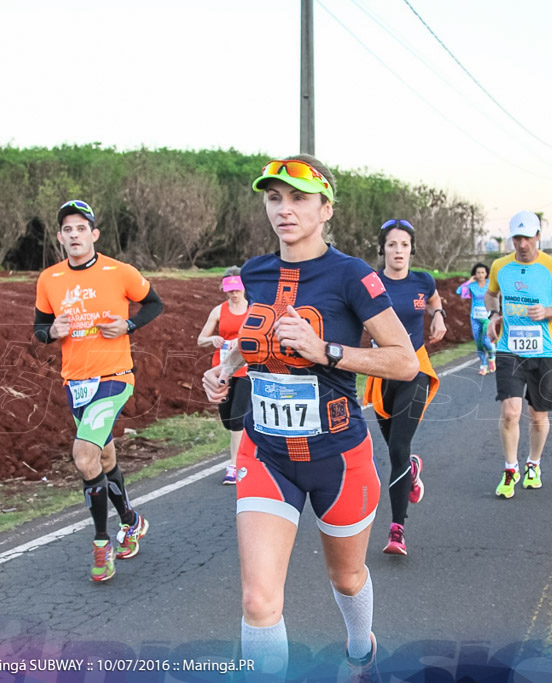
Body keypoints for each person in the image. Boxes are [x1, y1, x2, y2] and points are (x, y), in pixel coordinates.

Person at [201, 156, 417, 679]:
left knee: (346, 578)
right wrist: (228, 367)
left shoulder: (351, 275)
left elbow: (404, 360)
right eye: (275, 198)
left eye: (298, 198)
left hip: (337, 456)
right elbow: (256, 335)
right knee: (258, 602)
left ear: (326, 210)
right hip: (267, 452)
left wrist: (327, 352)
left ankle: (360, 648)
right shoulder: (255, 272)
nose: (284, 209)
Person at [33, 199, 163, 582]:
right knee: (103, 458)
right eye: (67, 229)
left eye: (81, 228)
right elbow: (39, 328)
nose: (74, 235)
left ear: (94, 234)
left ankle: (102, 542)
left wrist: (129, 326)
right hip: (76, 381)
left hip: (115, 376)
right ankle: (131, 521)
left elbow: (154, 304)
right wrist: (51, 332)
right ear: (60, 237)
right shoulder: (49, 279)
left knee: (83, 456)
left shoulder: (119, 272)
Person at [363, 219, 444, 556]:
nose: (399, 251)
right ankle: (411, 469)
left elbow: (434, 299)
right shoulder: (369, 282)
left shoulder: (423, 281)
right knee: (397, 451)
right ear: (382, 248)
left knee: (397, 448)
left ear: (412, 249)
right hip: (381, 373)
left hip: (415, 369)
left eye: (405, 245)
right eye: (392, 245)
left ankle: (397, 530)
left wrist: (438, 314)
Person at [484, 211, 552, 499]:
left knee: (538, 416)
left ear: (538, 236)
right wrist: (494, 313)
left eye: (527, 237)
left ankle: (533, 464)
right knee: (511, 412)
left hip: (544, 351)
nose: (522, 244)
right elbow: (490, 294)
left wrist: (548, 311)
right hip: (509, 349)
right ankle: (510, 470)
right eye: (517, 238)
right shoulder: (500, 266)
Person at [197, 266, 250, 484]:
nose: (233, 293)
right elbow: (201, 339)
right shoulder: (218, 311)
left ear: (244, 288)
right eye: (230, 290)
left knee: (237, 419)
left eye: (237, 289)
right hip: (222, 369)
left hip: (247, 369)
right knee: (229, 420)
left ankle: (234, 466)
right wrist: (213, 340)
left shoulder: (252, 308)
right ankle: (248, 446)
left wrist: (244, 341)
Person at [456, 262, 497, 374]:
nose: (480, 275)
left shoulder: (490, 284)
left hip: (487, 317)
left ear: (486, 274)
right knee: (478, 342)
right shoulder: (472, 285)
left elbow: (497, 294)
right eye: (478, 272)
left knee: (486, 341)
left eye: (483, 272)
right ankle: (483, 366)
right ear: (475, 274)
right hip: (475, 317)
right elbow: (459, 291)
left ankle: (492, 357)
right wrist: (469, 281)